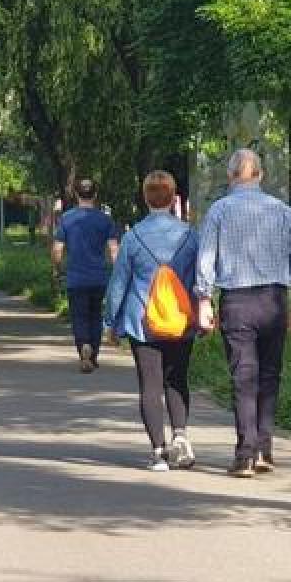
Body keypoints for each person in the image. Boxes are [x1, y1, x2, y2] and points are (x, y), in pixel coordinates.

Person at [196, 148, 291, 478]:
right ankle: (264, 448)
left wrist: (205, 299)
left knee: (243, 376)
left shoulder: (218, 211)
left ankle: (245, 454)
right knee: (270, 374)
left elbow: (206, 260)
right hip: (275, 300)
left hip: (237, 302)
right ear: (261, 175)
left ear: (231, 176)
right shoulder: (283, 212)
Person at [105, 171, 200, 472]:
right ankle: (181, 437)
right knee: (177, 379)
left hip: (142, 320)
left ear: (146, 198)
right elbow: (200, 279)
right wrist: (203, 313)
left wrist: (111, 322)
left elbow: (119, 283)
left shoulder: (132, 237)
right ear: (173, 198)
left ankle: (158, 452)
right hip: (180, 320)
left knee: (150, 384)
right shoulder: (190, 235)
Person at [52, 178, 119, 373]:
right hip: (99, 277)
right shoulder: (105, 220)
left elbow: (57, 249)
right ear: (95, 195)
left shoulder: (66, 218)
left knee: (79, 316)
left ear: (76, 194)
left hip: (76, 277)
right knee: (95, 315)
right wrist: (117, 273)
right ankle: (94, 353)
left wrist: (57, 269)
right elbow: (114, 250)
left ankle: (83, 348)